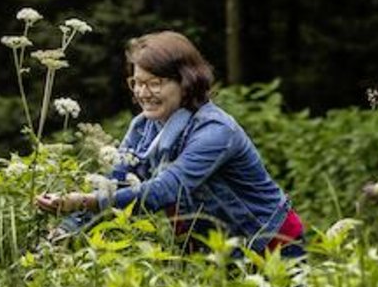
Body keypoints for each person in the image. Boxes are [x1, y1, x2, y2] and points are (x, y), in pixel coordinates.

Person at [35, 30, 306, 257]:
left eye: (154, 83)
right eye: (136, 83)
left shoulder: (215, 131)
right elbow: (114, 183)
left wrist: (83, 201)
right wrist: (65, 230)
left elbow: (166, 191)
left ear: (186, 82)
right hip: (211, 252)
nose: (142, 93)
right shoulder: (143, 127)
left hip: (269, 243)